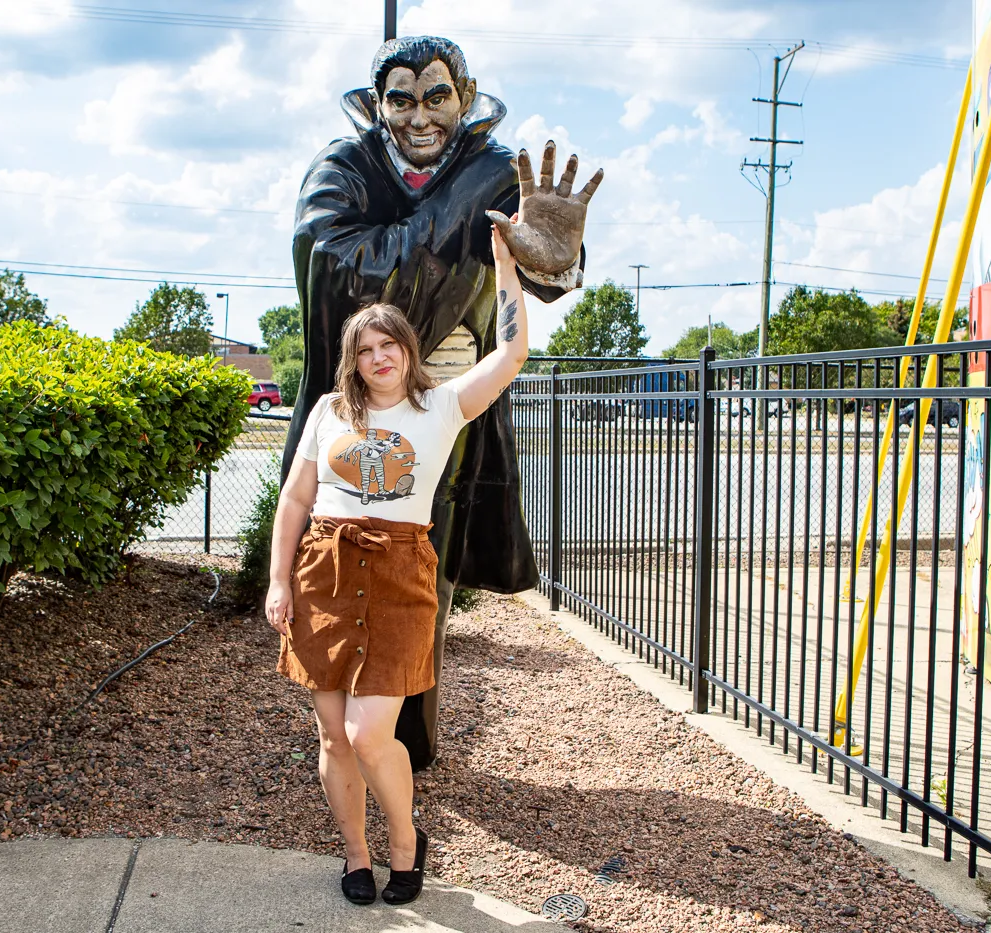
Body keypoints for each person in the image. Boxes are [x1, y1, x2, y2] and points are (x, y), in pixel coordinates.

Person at [266, 153, 597, 906]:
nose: (379, 358)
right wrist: (279, 581)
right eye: (366, 350)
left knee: (368, 732)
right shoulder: (328, 413)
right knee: (329, 735)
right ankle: (355, 854)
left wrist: (508, 265)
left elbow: (512, 352)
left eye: (390, 346)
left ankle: (406, 839)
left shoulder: (437, 408)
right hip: (323, 568)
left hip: (399, 573)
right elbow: (293, 501)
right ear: (354, 360)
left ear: (407, 352)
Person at [285, 35, 603, 770]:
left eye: (437, 97)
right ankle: (347, 735)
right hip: (354, 415)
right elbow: (338, 262)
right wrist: (464, 214)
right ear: (377, 104)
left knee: (423, 571)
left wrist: (559, 260)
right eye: (402, 98)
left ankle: (405, 742)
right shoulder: (346, 168)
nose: (420, 116)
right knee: (339, 567)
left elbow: (536, 259)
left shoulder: (497, 173)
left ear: (463, 97)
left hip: (445, 424)